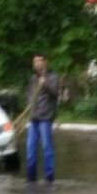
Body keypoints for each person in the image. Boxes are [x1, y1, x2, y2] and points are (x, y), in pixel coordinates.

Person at [26, 53, 59, 184]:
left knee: (47, 150)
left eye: (40, 61)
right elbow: (29, 95)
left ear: (45, 62)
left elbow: (55, 94)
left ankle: (49, 179)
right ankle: (31, 180)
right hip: (33, 119)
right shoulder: (33, 78)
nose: (37, 64)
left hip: (45, 118)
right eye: (35, 61)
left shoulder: (53, 77)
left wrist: (45, 85)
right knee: (31, 151)